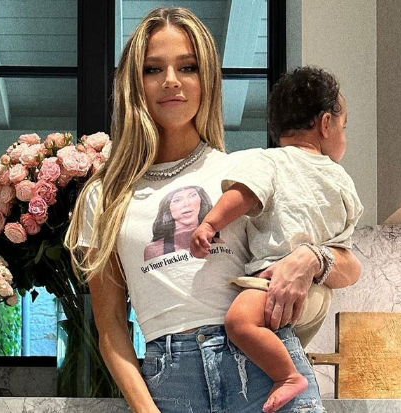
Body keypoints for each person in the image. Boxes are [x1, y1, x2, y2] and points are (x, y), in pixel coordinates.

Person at [66, 8, 361, 413]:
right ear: (134, 83)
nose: (171, 80)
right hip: (173, 381)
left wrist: (311, 258)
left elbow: (349, 267)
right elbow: (112, 328)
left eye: (187, 67)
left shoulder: (249, 169)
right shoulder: (105, 196)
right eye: (153, 69)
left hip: (264, 368)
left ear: (206, 79)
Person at [190, 66, 364, 412]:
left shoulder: (269, 161)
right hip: (317, 292)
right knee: (283, 336)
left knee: (238, 323)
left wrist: (209, 223)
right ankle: (288, 368)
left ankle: (287, 377)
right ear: (325, 124)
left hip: (272, 284)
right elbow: (345, 245)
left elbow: (242, 195)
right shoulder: (342, 179)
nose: (343, 135)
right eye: (344, 127)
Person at [144, 186, 213, 260]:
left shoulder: (217, 240)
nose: (186, 204)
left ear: (201, 200)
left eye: (192, 196)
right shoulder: (154, 250)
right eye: (177, 200)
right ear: (167, 207)